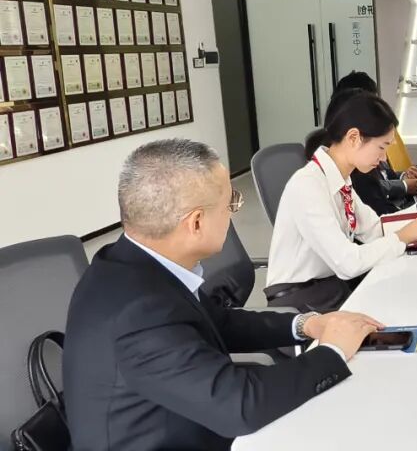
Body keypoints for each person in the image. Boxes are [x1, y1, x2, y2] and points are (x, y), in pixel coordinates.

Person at [65, 139, 382, 450]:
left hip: (188, 415)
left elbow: (217, 321)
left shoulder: (131, 262)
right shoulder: (138, 311)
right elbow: (240, 405)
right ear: (196, 223)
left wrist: (306, 325)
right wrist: (332, 352)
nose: (233, 214)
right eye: (231, 204)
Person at [267, 91, 417, 312]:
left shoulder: (340, 178)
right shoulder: (308, 185)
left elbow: (374, 229)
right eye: (381, 147)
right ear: (353, 138)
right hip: (301, 300)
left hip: (330, 286)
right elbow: (348, 263)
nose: (383, 158)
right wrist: (403, 236)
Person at [333, 71, 417, 214]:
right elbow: (380, 211)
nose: (384, 158)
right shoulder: (353, 170)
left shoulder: (353, 166)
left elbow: (371, 221)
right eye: (381, 147)